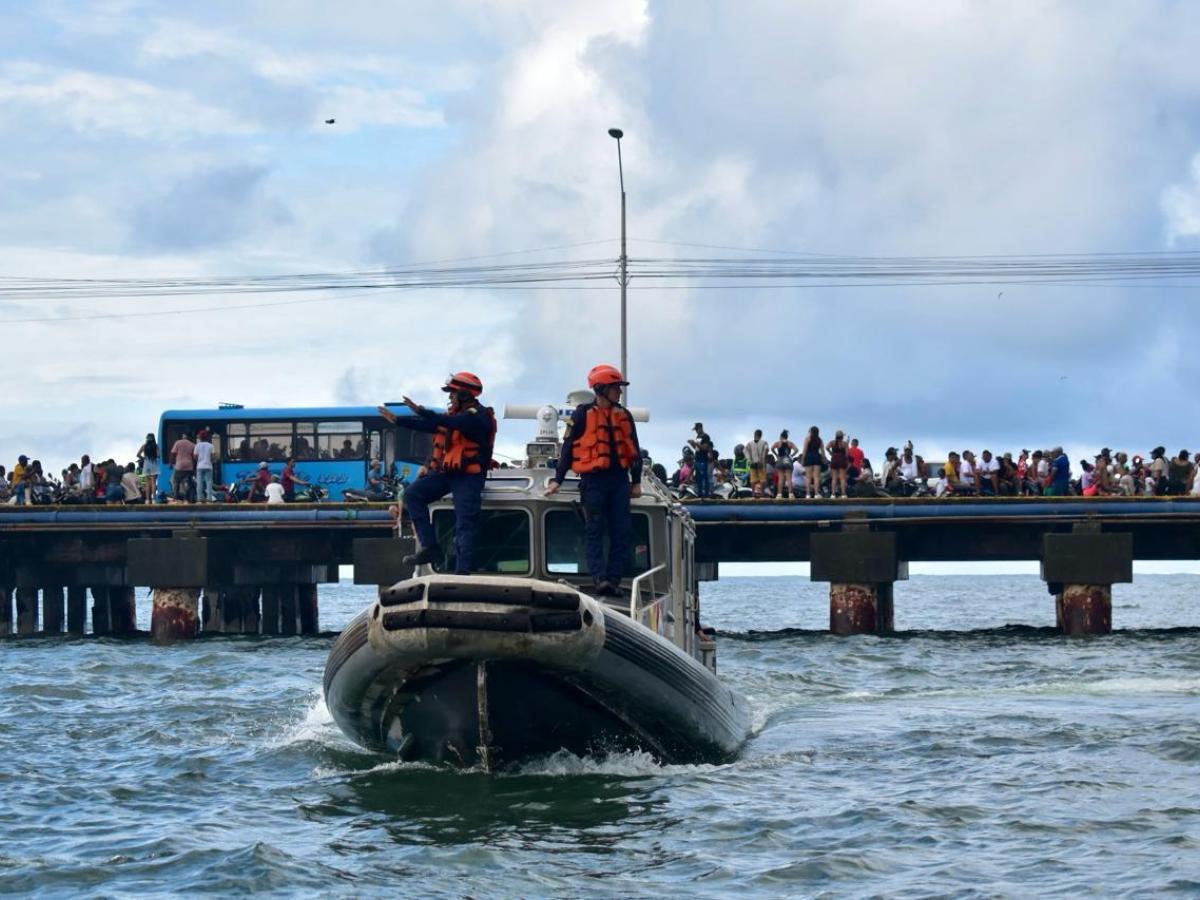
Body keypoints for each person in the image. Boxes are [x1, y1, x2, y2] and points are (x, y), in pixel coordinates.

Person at [379, 371, 497, 573]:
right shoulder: (455, 416)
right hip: (450, 473)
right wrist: (399, 421)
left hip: (469, 476)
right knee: (413, 494)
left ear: (464, 395)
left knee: (464, 522)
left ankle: (462, 573)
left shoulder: (478, 417)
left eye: (452, 393)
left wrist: (421, 410)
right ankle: (430, 548)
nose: (450, 397)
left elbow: (453, 424)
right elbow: (430, 425)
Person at [545, 364, 642, 596]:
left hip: (619, 480)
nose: (619, 393)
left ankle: (614, 580)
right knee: (594, 529)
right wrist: (558, 479)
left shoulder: (624, 415)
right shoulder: (581, 414)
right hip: (593, 481)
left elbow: (634, 450)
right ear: (601, 389)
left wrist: (636, 481)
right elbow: (568, 447)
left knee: (622, 531)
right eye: (615, 388)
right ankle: (599, 579)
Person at [688, 423, 714, 499]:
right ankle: (699, 493)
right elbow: (697, 449)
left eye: (697, 429)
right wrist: (692, 444)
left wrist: (696, 443)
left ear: (700, 428)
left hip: (703, 459)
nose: (696, 431)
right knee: (698, 478)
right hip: (697, 459)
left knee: (704, 477)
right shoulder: (698, 436)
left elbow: (705, 448)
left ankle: (706, 494)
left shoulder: (706, 436)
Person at [170, 431, 196, 501]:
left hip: (179, 465)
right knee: (188, 482)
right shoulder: (192, 445)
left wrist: (171, 464)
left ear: (184, 436)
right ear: (189, 437)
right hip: (189, 466)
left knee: (176, 481)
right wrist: (194, 467)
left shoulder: (177, 443)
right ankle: (186, 498)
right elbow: (194, 458)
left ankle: (176, 497)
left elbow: (173, 453)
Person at [773, 429, 799, 500]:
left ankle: (779, 495)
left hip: (780, 460)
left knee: (781, 479)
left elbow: (772, 448)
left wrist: (776, 455)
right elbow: (797, 450)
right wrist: (791, 456)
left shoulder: (778, 443)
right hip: (788, 460)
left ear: (781, 436)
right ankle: (791, 494)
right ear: (787, 437)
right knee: (789, 479)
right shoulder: (790, 443)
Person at [745, 429, 769, 497]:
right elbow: (766, 451)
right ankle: (762, 494)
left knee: (753, 479)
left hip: (753, 462)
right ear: (761, 435)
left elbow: (746, 452)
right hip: (761, 463)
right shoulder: (764, 442)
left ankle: (753, 494)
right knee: (762, 479)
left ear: (754, 434)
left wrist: (749, 459)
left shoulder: (750, 443)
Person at [800, 426, 823, 499]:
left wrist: (802, 460)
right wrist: (824, 459)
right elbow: (822, 451)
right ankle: (816, 494)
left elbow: (805, 450)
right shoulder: (820, 440)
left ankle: (808, 494)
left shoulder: (807, 439)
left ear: (811, 431)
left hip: (809, 457)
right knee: (816, 477)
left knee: (808, 477)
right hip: (817, 457)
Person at [137, 433, 160, 503]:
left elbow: (138, 454)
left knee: (147, 483)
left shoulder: (144, 446)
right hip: (154, 464)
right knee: (153, 482)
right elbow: (159, 455)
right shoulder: (156, 446)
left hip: (146, 464)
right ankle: (154, 499)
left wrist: (144, 458)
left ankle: (147, 499)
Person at [194, 431, 216, 502]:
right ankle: (209, 498)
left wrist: (199, 461)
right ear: (207, 437)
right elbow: (213, 456)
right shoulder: (210, 445)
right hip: (208, 466)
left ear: (200, 437)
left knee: (199, 482)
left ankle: (199, 498)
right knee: (209, 482)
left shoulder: (197, 445)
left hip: (200, 466)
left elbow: (195, 456)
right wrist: (210, 461)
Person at [827, 430, 850, 499]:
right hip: (842, 459)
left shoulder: (832, 442)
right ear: (842, 436)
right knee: (842, 478)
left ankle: (833, 494)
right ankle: (843, 494)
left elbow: (826, 447)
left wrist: (831, 453)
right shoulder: (845, 443)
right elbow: (847, 454)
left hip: (834, 459)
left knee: (834, 478)